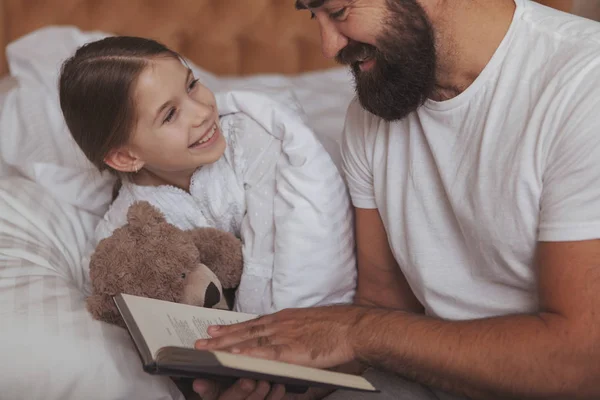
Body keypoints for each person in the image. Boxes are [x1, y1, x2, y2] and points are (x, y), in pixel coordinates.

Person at [191, 0, 600, 399]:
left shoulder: (583, 85)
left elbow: (581, 363)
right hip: (427, 375)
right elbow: (385, 308)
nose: (329, 48)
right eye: (313, 15)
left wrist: (355, 331)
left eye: (338, 12)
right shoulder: (370, 115)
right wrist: (278, 375)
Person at [58, 36, 356, 316]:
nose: (201, 112)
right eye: (170, 115)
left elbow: (278, 246)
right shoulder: (129, 224)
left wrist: (255, 326)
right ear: (126, 157)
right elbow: (114, 281)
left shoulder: (251, 140)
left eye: (192, 85)